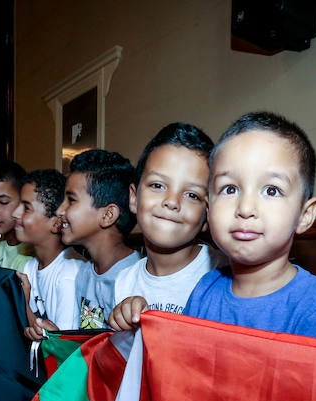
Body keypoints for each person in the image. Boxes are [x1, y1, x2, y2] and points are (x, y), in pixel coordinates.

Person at [183, 111, 316, 344]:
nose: (245, 208)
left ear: (304, 215)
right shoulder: (204, 292)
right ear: (209, 208)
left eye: (271, 190)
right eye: (230, 189)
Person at [107, 122, 225, 331]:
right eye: (157, 185)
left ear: (208, 214)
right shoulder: (124, 281)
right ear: (134, 198)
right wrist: (122, 327)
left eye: (192, 195)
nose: (172, 201)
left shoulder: (223, 274)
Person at [55, 149, 141, 330]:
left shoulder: (134, 279)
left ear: (108, 215)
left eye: (71, 200)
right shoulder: (85, 274)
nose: (60, 211)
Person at [12, 169, 84, 339]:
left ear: (56, 223)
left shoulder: (70, 273)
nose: (15, 213)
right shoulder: (30, 266)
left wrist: (23, 304)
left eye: (26, 208)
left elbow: (60, 344)